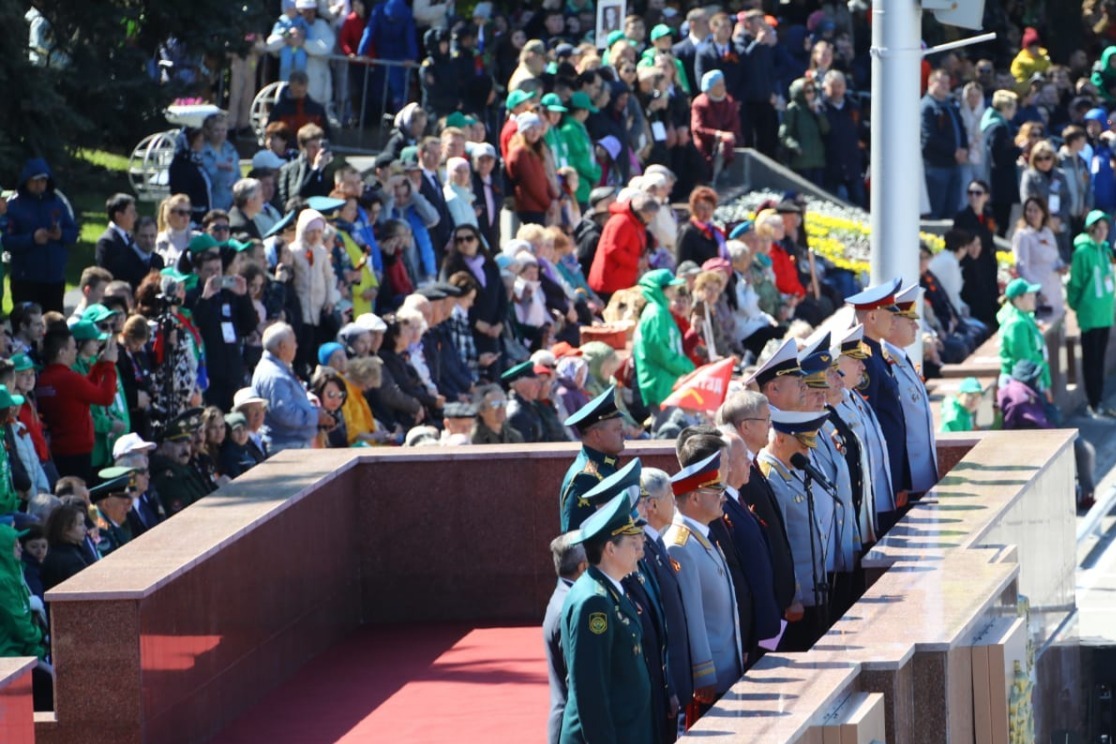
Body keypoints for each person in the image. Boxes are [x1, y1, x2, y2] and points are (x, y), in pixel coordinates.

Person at [558, 490, 652, 744]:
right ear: (610, 548)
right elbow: (591, 691)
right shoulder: (594, 602)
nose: (639, 548)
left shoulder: (609, 589)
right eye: (632, 542)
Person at [665, 449, 743, 720]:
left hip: (726, 665)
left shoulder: (702, 535)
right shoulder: (680, 546)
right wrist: (703, 672)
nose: (723, 496)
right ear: (695, 498)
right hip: (712, 677)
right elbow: (692, 616)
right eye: (716, 490)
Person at [757, 407, 833, 651]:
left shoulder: (790, 468)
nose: (807, 452)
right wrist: (794, 596)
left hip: (814, 590)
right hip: (795, 601)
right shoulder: (771, 477)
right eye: (802, 445)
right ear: (780, 439)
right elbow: (782, 545)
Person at [846, 279, 907, 528]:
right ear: (871, 317)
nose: (895, 320)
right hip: (881, 471)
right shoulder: (866, 360)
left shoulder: (876, 354)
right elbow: (868, 422)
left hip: (891, 467)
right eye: (889, 314)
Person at [34, 327, 118, 482]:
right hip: (77, 454)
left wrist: (100, 366)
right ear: (62, 352)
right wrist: (110, 365)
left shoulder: (43, 379)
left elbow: (84, 389)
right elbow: (106, 398)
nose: (76, 351)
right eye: (73, 347)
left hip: (58, 451)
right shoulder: (69, 379)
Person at [884, 285, 939, 496]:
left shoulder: (902, 358)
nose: (916, 327)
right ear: (893, 323)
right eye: (910, 321)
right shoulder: (886, 363)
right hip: (907, 477)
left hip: (921, 473)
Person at [3, 158, 78, 312]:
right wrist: (32, 239)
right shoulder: (14, 206)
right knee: (27, 320)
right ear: (26, 181)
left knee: (54, 322)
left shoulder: (57, 203)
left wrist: (60, 235)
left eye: (43, 180)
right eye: (35, 181)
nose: (39, 185)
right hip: (26, 279)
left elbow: (73, 232)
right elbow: (7, 241)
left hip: (54, 278)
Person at [251, 323, 332, 452]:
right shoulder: (274, 376)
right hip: (287, 447)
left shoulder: (278, 369)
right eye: (294, 342)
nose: (296, 346)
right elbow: (285, 414)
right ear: (282, 347)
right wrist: (315, 416)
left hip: (292, 445)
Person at [1067, 210, 1116, 417]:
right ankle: (1092, 402)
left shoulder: (1106, 251)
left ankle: (1099, 401)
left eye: (1105, 228)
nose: (1103, 232)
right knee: (1091, 360)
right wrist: (1078, 305)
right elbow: (1075, 284)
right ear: (1090, 229)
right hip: (1089, 314)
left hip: (1105, 313)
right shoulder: (1082, 252)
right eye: (1099, 228)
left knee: (1100, 360)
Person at [559, 386, 625, 531]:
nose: (623, 433)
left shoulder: (606, 464)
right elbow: (577, 537)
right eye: (617, 429)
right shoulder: (585, 479)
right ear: (597, 435)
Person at [543, 531, 587, 744]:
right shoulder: (568, 607)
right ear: (583, 567)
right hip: (570, 728)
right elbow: (576, 678)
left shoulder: (564, 597)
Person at [633, 269, 695, 411]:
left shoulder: (662, 311)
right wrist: (688, 367)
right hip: (659, 384)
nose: (674, 291)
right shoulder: (655, 314)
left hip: (668, 381)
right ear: (659, 289)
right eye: (670, 287)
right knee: (664, 424)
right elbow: (662, 354)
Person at [953, 179, 1002, 330]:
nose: (974, 196)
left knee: (991, 304)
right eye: (970, 193)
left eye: (978, 193)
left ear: (986, 196)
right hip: (971, 268)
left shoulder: (988, 215)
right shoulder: (962, 217)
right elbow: (957, 241)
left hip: (987, 267)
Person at [921, 69, 968, 219]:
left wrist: (964, 149)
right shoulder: (926, 107)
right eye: (941, 82)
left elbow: (961, 129)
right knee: (936, 210)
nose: (945, 86)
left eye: (947, 83)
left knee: (952, 211)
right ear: (930, 83)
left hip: (954, 165)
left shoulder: (951, 106)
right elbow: (929, 137)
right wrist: (954, 151)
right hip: (936, 167)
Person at [1012, 196, 1064, 317]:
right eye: (1029, 210)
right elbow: (1022, 268)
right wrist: (1037, 290)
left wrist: (1061, 266)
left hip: (1054, 288)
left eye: (1036, 210)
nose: (1032, 214)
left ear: (1043, 213)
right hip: (1038, 292)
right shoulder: (1023, 236)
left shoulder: (1047, 232)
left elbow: (1055, 256)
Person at [690, 69, 742, 183]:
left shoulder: (729, 102)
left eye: (723, 84)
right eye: (719, 85)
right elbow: (697, 128)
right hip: (705, 145)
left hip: (727, 144)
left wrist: (728, 135)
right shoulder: (700, 103)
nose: (723, 87)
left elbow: (735, 124)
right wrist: (718, 134)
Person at [982, 90, 1021, 234]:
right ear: (1006, 108)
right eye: (1013, 108)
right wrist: (1018, 150)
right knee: (1000, 224)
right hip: (1000, 186)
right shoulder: (999, 128)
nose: (1015, 111)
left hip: (994, 183)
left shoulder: (990, 123)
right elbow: (998, 158)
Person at [40, 502, 94, 591]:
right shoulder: (72, 561)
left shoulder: (52, 554)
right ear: (65, 529)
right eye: (80, 524)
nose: (85, 528)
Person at [278, 124, 334, 207]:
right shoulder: (290, 168)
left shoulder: (329, 167)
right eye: (312, 147)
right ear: (303, 147)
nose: (317, 151)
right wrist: (316, 169)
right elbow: (295, 196)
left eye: (319, 146)